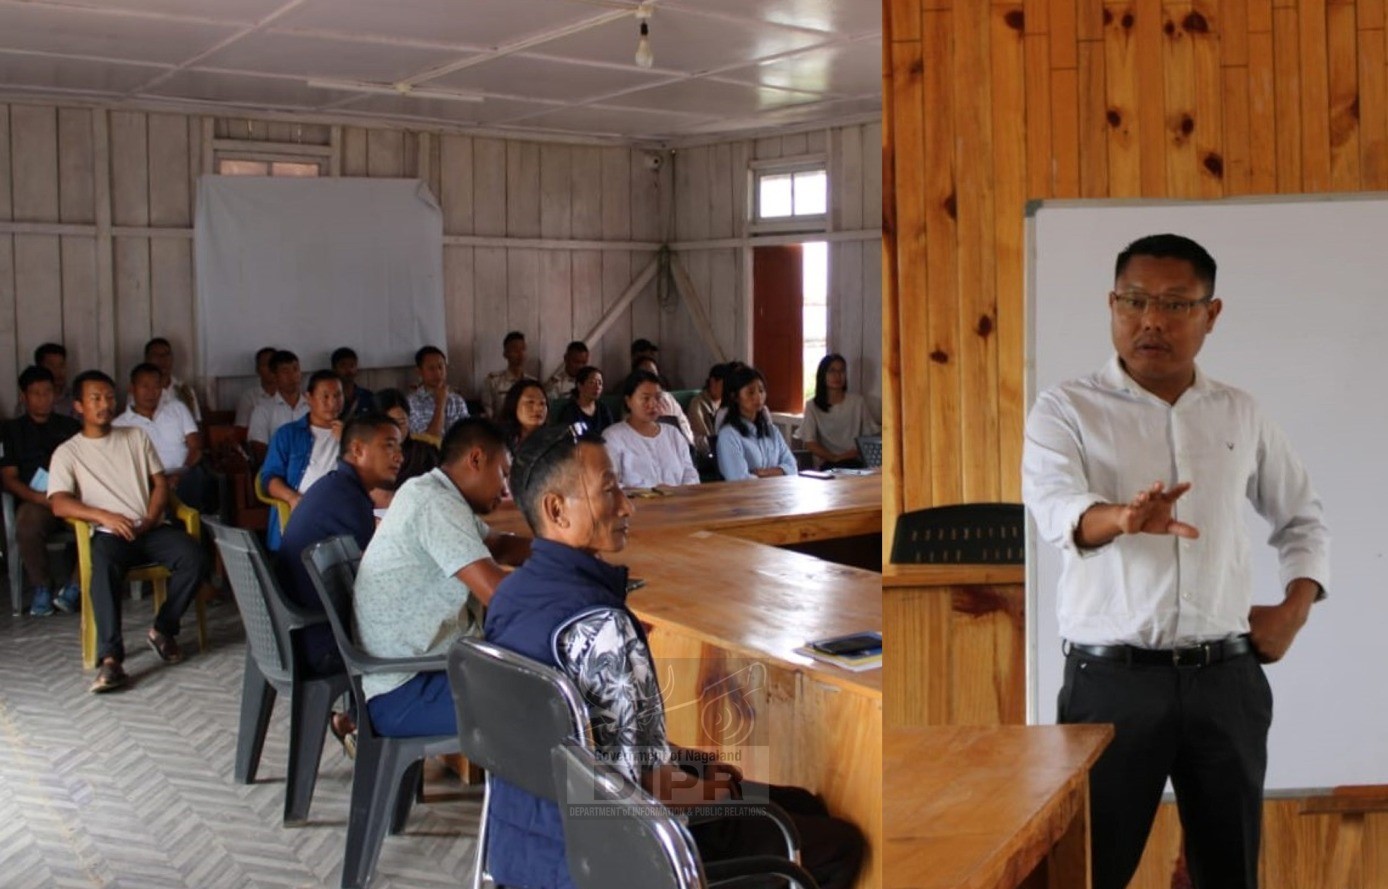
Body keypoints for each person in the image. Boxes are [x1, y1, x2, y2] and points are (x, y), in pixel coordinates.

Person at [1021, 233, 1330, 889]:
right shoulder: (1065, 408)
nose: (1151, 320)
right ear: (1111, 303)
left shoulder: (1239, 412)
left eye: (1174, 304)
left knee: (1227, 873)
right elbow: (1058, 509)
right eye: (1133, 301)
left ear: (1210, 314)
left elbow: (1302, 515)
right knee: (1088, 871)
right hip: (1112, 685)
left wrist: (1295, 607)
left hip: (1226, 682)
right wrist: (1122, 518)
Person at [483, 427, 865, 889]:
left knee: (800, 803)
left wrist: (690, 761)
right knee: (837, 841)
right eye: (609, 491)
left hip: (524, 838)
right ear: (557, 510)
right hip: (614, 856)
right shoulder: (601, 625)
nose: (627, 506)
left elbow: (588, 739)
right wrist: (713, 790)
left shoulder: (510, 595)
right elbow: (637, 793)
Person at [352, 418, 531, 736]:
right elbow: (499, 595)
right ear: (476, 459)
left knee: (539, 675)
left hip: (416, 672)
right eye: (503, 473)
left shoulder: (432, 491)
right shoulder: (435, 504)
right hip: (405, 691)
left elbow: (500, 545)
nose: (506, 489)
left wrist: (565, 552)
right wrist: (566, 583)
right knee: (549, 705)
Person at [48, 370, 208, 692]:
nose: (105, 404)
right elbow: (59, 503)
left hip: (148, 527)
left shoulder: (135, 436)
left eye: (109, 397)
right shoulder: (68, 452)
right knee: (103, 567)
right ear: (79, 406)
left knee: (194, 556)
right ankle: (112, 659)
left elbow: (160, 482)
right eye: (95, 398)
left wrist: (150, 516)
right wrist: (102, 515)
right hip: (109, 535)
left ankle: (164, 628)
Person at [278, 413, 402, 680]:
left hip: (299, 634)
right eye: (389, 445)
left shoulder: (334, 488)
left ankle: (352, 716)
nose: (399, 457)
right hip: (323, 643)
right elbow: (373, 593)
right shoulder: (348, 502)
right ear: (357, 450)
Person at [1, 365, 82, 615]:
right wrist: (40, 498)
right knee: (26, 522)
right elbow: (8, 479)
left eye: (47, 392)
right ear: (24, 397)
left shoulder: (70, 427)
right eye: (36, 393)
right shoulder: (10, 431)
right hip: (35, 501)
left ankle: (75, 586)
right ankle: (42, 587)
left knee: (98, 524)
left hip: (72, 497)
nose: (43, 398)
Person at [258, 370, 344, 550]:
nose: (333, 403)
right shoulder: (288, 434)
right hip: (301, 508)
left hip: (339, 510)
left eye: (338, 395)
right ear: (309, 398)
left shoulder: (354, 435)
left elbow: (365, 473)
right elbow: (269, 477)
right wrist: (293, 498)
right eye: (325, 396)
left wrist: (347, 442)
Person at [113, 363, 210, 510]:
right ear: (132, 389)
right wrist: (159, 481)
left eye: (156, 386)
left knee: (197, 477)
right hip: (147, 481)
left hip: (184, 474)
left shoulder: (177, 408)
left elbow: (195, 446)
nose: (151, 392)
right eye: (145, 386)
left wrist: (179, 473)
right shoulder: (119, 425)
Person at [602, 370, 698, 489]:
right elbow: (611, 484)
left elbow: (690, 474)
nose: (653, 404)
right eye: (645, 398)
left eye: (657, 398)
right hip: (636, 506)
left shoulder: (673, 433)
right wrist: (649, 493)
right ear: (628, 401)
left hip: (678, 504)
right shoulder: (613, 437)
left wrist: (678, 492)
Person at [797, 354, 880, 469]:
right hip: (827, 463)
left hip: (854, 461)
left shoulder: (857, 402)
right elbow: (810, 443)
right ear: (823, 375)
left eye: (842, 371)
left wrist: (853, 453)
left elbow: (869, 435)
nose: (837, 376)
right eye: (832, 371)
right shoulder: (812, 406)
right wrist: (834, 457)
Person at [716, 365, 797, 481]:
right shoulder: (728, 435)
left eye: (761, 391)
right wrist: (778, 472)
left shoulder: (772, 430)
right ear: (735, 397)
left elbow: (792, 467)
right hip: (746, 497)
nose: (758, 396)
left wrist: (762, 473)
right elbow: (739, 479)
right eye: (750, 392)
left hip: (776, 494)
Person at [248, 350, 308, 461]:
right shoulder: (263, 409)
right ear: (274, 376)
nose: (292, 376)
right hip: (277, 469)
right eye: (285, 371)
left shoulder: (312, 406)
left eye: (295, 369)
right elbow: (259, 449)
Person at [375, 388, 440, 489]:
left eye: (402, 422)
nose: (398, 430)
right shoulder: (369, 457)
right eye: (391, 423)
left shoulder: (425, 454)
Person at [407, 345, 469, 439]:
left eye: (441, 367)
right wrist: (440, 404)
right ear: (419, 372)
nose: (437, 373)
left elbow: (468, 434)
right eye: (431, 369)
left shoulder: (457, 400)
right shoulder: (411, 403)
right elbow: (428, 441)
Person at [632, 356, 694, 446]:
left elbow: (684, 424)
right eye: (645, 374)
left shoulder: (667, 398)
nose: (649, 377)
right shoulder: (632, 401)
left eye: (653, 373)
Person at [142, 337, 202, 423]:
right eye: (156, 355)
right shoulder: (140, 391)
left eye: (166, 355)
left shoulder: (185, 390)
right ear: (147, 359)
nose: (162, 359)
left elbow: (196, 423)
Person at [15, 343, 74, 418]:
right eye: (52, 366)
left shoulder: (75, 397)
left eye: (61, 365)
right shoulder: (26, 403)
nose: (58, 371)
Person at [685, 362, 728, 461]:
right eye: (724, 385)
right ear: (713, 382)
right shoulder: (698, 403)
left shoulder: (725, 403)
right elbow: (700, 438)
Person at [554, 366, 614, 437]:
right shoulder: (570, 411)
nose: (597, 387)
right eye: (592, 382)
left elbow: (611, 434)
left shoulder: (603, 409)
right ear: (580, 386)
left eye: (600, 383)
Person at [484, 331, 530, 418]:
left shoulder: (532, 382)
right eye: (515, 350)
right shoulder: (493, 381)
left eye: (523, 349)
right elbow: (488, 413)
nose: (520, 354)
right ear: (505, 354)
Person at [497, 378, 549, 453]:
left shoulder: (553, 440)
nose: (538, 408)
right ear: (514, 404)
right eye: (530, 402)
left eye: (542, 403)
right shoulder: (499, 441)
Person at [234, 346, 278, 431]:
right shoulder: (249, 397)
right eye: (265, 364)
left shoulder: (288, 394)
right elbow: (241, 429)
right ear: (257, 369)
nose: (270, 368)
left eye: (273, 364)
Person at [331, 347, 375, 419]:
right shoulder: (331, 398)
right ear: (334, 369)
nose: (348, 370)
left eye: (352, 365)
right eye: (343, 366)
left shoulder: (367, 396)